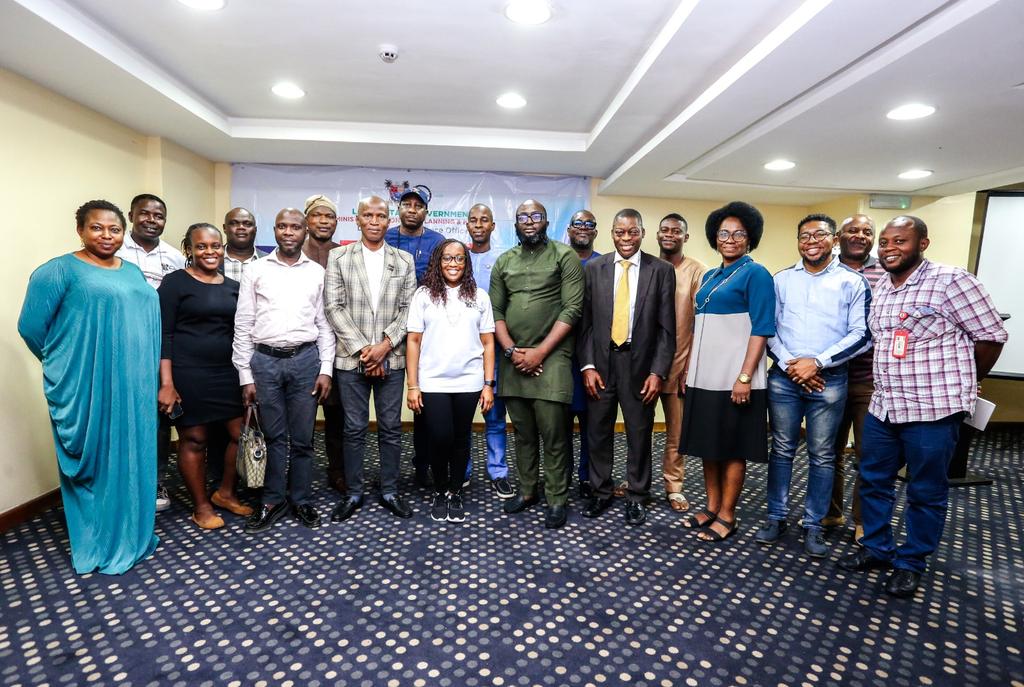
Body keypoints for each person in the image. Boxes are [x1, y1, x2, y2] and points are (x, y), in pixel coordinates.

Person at [838, 215, 1006, 598]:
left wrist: (964, 379)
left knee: (925, 490)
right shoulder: (881, 286)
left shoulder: (951, 281)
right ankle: (877, 549)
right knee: (873, 479)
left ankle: (911, 562)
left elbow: (991, 337)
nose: (889, 248)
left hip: (933, 410)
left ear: (922, 244)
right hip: (885, 406)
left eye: (900, 241)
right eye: (885, 242)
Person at [18, 199, 159, 574]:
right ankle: (100, 540)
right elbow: (32, 329)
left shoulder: (131, 272)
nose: (106, 235)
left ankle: (133, 531)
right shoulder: (58, 271)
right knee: (98, 459)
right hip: (92, 385)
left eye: (114, 229)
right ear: (80, 229)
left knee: (132, 455)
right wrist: (70, 364)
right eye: (97, 227)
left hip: (135, 386)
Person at [756, 214, 870, 558]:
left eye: (819, 235)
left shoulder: (852, 281)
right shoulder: (782, 279)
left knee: (822, 455)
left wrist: (816, 363)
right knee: (781, 449)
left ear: (833, 240)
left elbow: (861, 335)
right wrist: (793, 365)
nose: (811, 241)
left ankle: (813, 524)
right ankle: (776, 516)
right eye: (804, 236)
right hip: (785, 377)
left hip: (829, 379)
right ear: (798, 241)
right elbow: (768, 326)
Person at [232, 208, 336, 534]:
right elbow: (243, 324)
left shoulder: (317, 272)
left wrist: (326, 369)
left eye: (295, 227)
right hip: (264, 362)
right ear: (274, 231)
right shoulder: (255, 270)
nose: (289, 232)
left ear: (305, 231)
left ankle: (301, 498)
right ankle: (273, 499)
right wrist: (245, 375)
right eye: (282, 226)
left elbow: (325, 325)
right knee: (275, 436)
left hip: (306, 361)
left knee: (303, 439)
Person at [679, 201, 775, 542]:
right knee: (709, 444)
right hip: (705, 376)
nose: (730, 239)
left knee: (733, 446)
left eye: (738, 234)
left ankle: (728, 514)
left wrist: (745, 376)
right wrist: (690, 366)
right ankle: (711, 505)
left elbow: (762, 328)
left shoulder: (756, 274)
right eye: (723, 233)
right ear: (714, 238)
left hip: (736, 378)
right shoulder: (710, 275)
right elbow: (699, 327)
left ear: (750, 239)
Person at [578, 209, 675, 526]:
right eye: (620, 232)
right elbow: (586, 325)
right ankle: (601, 492)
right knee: (597, 432)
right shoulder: (594, 268)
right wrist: (588, 365)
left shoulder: (660, 270)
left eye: (632, 232)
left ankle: (637, 496)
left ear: (643, 233)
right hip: (602, 364)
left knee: (639, 433)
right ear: (612, 234)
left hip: (640, 365)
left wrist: (657, 372)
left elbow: (666, 329)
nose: (626, 238)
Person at [491, 200, 584, 529]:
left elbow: (572, 309)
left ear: (546, 221)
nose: (529, 222)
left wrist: (539, 353)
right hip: (513, 359)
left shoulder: (564, 256)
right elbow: (496, 313)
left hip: (553, 358)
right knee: (523, 434)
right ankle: (528, 490)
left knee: (554, 433)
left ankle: (557, 498)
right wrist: (512, 351)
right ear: (515, 223)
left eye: (536, 216)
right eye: (523, 217)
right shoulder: (504, 261)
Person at [325, 196, 418, 521]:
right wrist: (365, 349)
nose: (375, 221)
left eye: (381, 215)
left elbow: (410, 309)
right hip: (352, 360)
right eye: (369, 215)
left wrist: (384, 347)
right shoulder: (338, 257)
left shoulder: (404, 260)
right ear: (359, 219)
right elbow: (333, 306)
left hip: (391, 359)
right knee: (353, 429)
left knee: (391, 428)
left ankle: (390, 491)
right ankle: (353, 492)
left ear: (388, 220)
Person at [157, 223, 252, 529]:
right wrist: (167, 383)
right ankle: (201, 506)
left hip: (228, 371)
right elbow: (165, 335)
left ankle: (225, 492)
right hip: (189, 373)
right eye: (202, 246)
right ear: (189, 249)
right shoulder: (174, 284)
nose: (210, 252)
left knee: (241, 435)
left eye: (215, 246)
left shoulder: (233, 286)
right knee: (194, 438)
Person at [406, 240, 496, 522]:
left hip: (469, 381)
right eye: (447, 258)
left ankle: (455, 492)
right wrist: (413, 384)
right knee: (440, 436)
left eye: (459, 259)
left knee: (461, 438)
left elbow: (488, 343)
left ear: (466, 263)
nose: (453, 263)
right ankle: (440, 489)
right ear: (438, 261)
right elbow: (413, 341)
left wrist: (488, 384)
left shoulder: (479, 296)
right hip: (433, 381)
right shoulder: (423, 295)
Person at [117, 193, 185, 513]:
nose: (151, 220)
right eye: (145, 214)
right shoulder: (113, 251)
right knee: (120, 415)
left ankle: (156, 479)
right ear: (131, 215)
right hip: (120, 346)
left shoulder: (174, 257)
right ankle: (119, 482)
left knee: (160, 418)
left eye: (158, 216)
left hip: (160, 348)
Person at [824, 214, 886, 542]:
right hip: (829, 376)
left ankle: (863, 520)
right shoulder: (825, 270)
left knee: (868, 454)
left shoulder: (886, 273)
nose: (860, 236)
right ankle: (830, 513)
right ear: (838, 237)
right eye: (853, 230)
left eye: (867, 232)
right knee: (827, 451)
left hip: (868, 380)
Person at [384, 186, 445, 488]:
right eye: (405, 204)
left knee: (426, 402)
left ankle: (425, 463)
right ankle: (389, 474)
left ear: (425, 211)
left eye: (417, 205)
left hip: (427, 332)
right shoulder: (384, 237)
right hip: (389, 330)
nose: (411, 209)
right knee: (396, 404)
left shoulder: (437, 242)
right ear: (399, 209)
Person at [655, 213, 707, 512]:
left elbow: (702, 323)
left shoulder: (698, 272)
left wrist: (691, 366)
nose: (670, 234)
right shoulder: (646, 266)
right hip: (646, 366)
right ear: (657, 234)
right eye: (665, 230)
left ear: (685, 237)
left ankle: (674, 487)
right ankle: (638, 480)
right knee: (637, 428)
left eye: (677, 231)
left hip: (679, 364)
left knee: (676, 432)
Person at [466, 203, 514, 499]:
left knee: (495, 417)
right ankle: (464, 469)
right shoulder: (457, 257)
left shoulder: (503, 260)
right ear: (467, 226)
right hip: (461, 353)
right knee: (462, 418)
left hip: (494, 352)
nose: (479, 224)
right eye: (474, 220)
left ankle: (498, 472)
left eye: (485, 220)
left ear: (493, 226)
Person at [301, 194, 346, 494]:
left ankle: (338, 471)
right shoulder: (292, 253)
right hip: (301, 347)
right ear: (306, 219)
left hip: (339, 346)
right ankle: (298, 475)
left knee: (337, 416)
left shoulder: (343, 256)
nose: (323, 221)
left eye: (329, 216)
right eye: (317, 215)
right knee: (300, 416)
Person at [565, 210, 601, 498]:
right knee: (559, 427)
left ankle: (589, 478)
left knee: (594, 426)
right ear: (569, 229)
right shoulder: (557, 261)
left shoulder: (605, 265)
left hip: (595, 358)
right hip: (561, 356)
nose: (583, 228)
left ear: (595, 232)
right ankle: (561, 478)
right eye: (578, 223)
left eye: (589, 224)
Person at [222, 207, 268, 282]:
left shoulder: (269, 261)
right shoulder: (211, 259)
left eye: (247, 224)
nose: (241, 227)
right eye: (234, 223)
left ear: (255, 229)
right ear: (224, 228)